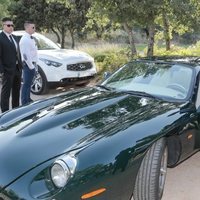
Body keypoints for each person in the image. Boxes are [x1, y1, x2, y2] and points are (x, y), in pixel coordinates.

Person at [0, 17, 22, 113]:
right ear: (3, 26)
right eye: (8, 25)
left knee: (16, 92)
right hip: (7, 70)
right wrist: (1, 71)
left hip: (17, 69)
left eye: (12, 25)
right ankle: (5, 112)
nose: (11, 27)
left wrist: (21, 65)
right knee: (6, 93)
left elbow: (18, 53)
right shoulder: (1, 38)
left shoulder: (15, 37)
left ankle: (15, 111)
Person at [19, 21, 38, 105]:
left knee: (29, 84)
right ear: (27, 28)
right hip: (28, 65)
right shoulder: (25, 40)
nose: (34, 29)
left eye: (34, 27)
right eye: (32, 27)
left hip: (32, 64)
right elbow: (26, 55)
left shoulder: (30, 38)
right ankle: (24, 102)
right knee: (26, 84)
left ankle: (28, 99)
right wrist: (31, 67)